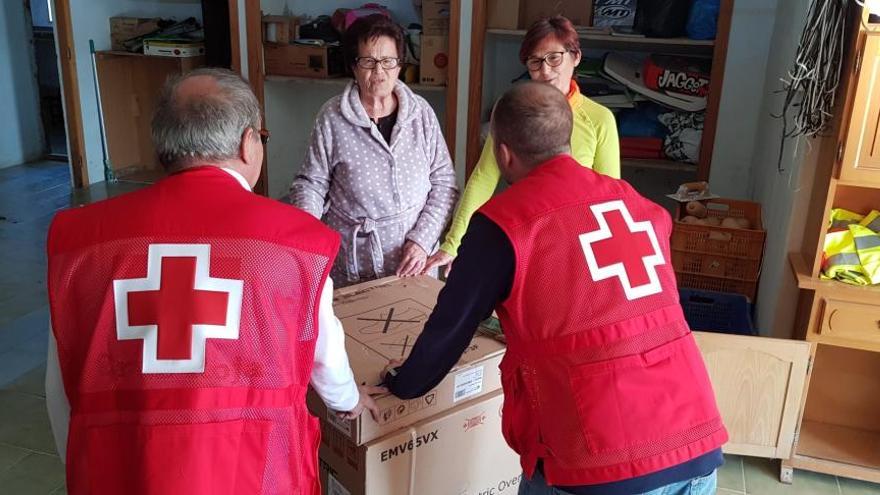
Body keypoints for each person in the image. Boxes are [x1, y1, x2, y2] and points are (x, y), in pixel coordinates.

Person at [44, 68, 381, 495]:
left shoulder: (81, 242)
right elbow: (325, 357)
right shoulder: (296, 246)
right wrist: (349, 401)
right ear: (247, 142)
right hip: (257, 470)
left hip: (123, 469)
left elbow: (62, 387)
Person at [382, 82, 726, 495]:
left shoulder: (504, 224)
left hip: (600, 458)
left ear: (503, 152)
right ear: (566, 138)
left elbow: (450, 326)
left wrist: (402, 386)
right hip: (694, 435)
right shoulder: (638, 205)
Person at [425, 16, 621, 276]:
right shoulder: (514, 112)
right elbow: (483, 177)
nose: (546, 71)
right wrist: (453, 243)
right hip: (523, 239)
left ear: (575, 57)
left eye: (554, 58)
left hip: (576, 247)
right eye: (535, 62)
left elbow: (609, 197)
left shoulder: (599, 119)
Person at [290, 15, 458, 286]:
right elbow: (311, 184)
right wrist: (306, 236)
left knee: (415, 324)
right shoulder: (332, 116)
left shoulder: (421, 114)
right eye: (368, 62)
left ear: (400, 65)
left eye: (388, 61)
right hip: (351, 262)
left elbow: (444, 185)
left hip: (412, 262)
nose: (379, 72)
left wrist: (421, 241)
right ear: (354, 67)